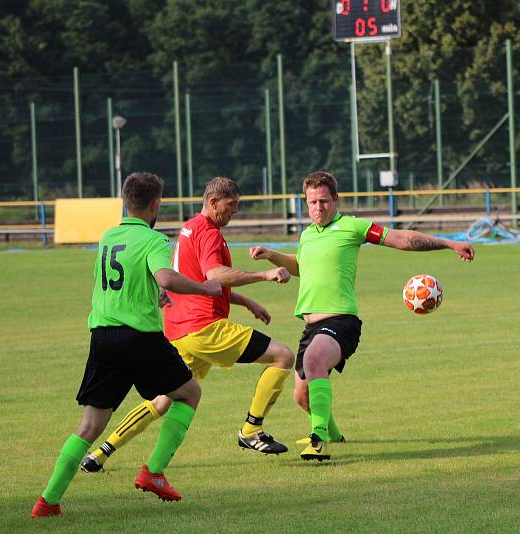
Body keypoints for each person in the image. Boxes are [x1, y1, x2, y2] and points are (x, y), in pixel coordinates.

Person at [31, 172, 222, 518]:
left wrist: (154, 292)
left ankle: (48, 501)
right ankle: (154, 472)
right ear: (154, 204)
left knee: (90, 425)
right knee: (189, 394)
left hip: (103, 337)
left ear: (125, 201)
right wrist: (204, 288)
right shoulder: (153, 240)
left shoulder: (108, 237)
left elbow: (126, 281)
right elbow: (165, 276)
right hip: (139, 337)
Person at [249, 171, 475, 461]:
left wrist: (449, 243)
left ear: (336, 200)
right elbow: (301, 267)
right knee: (302, 397)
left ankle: (318, 440)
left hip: (342, 322)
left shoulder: (352, 227)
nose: (319, 208)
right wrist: (272, 256)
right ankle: (332, 432)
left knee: (314, 360)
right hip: (311, 327)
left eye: (324, 201)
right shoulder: (307, 236)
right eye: (313, 202)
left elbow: (401, 239)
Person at [80, 177, 295, 474]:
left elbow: (199, 282)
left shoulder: (190, 227)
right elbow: (215, 275)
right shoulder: (207, 232)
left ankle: (100, 453)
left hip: (180, 328)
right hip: (205, 328)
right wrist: (264, 275)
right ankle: (251, 431)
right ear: (213, 202)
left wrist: (246, 303)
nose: (234, 211)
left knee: (163, 399)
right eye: (230, 205)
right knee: (283, 356)